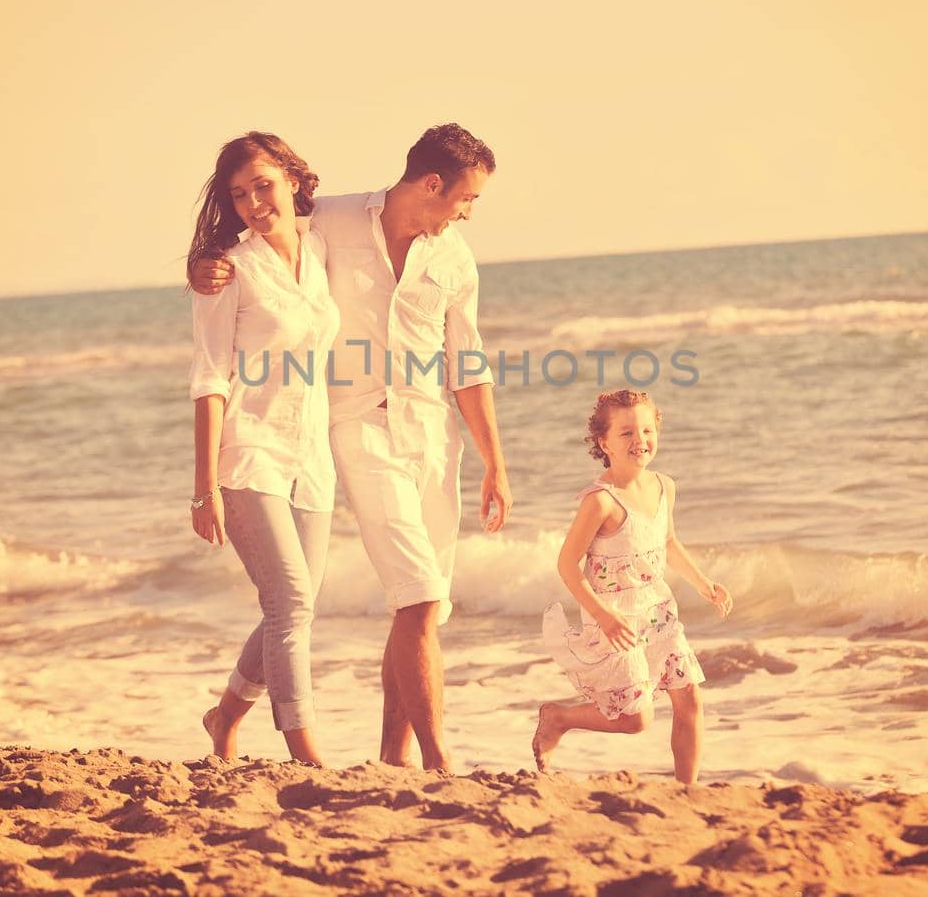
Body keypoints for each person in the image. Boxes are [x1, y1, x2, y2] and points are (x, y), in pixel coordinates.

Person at [192, 123, 512, 772]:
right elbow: (256, 242)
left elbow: (468, 365)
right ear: (431, 183)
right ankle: (425, 760)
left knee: (408, 606)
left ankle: (382, 755)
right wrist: (205, 264)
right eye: (466, 198)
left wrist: (494, 463)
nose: (469, 212)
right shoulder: (333, 221)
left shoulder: (450, 258)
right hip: (349, 430)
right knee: (410, 596)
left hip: (419, 438)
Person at [187, 132, 340, 767]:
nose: (253, 202)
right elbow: (209, 378)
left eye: (264, 186)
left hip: (312, 457)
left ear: (294, 181)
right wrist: (204, 488)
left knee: (290, 604)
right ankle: (306, 754)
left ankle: (224, 716)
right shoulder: (227, 271)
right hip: (249, 452)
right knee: (292, 601)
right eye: (239, 194)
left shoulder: (324, 247)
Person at [534, 389, 731, 784]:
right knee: (635, 719)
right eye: (625, 433)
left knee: (689, 697)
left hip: (658, 609)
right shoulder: (601, 502)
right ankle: (558, 718)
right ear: (604, 443)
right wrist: (603, 617)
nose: (639, 440)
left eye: (646, 429)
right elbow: (566, 565)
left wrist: (704, 583)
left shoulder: (664, 486)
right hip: (615, 618)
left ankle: (685, 791)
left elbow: (669, 543)